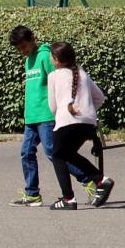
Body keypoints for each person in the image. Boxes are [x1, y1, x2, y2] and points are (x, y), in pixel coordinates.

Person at [9, 26, 95, 207]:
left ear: (32, 39)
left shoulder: (46, 56)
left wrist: (62, 110)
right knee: (26, 152)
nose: (22, 51)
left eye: (24, 46)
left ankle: (88, 179)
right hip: (31, 116)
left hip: (46, 115)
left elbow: (61, 79)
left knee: (53, 153)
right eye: (18, 49)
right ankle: (32, 194)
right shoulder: (28, 60)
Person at [46, 42, 115, 210]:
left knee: (57, 156)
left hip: (66, 122)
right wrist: (88, 110)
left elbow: (53, 107)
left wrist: (64, 114)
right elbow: (100, 97)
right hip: (88, 123)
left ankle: (68, 198)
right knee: (68, 154)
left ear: (56, 60)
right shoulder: (82, 74)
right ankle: (100, 180)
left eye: (51, 56)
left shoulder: (54, 76)